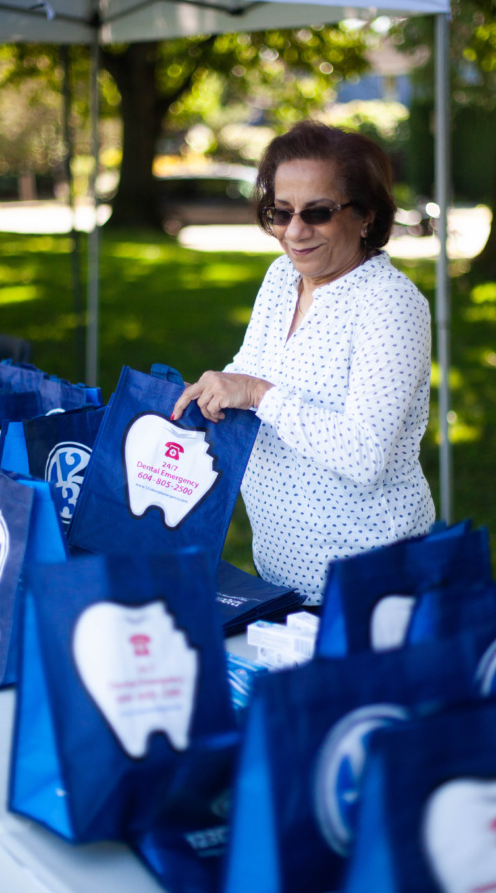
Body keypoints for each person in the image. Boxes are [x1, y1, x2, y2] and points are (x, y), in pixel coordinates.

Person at [172, 121, 435, 604]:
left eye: (317, 212)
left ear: (366, 216)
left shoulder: (391, 304)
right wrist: (204, 396)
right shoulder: (280, 277)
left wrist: (257, 395)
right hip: (278, 569)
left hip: (367, 583)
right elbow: (246, 369)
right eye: (280, 212)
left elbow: (363, 454)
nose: (294, 231)